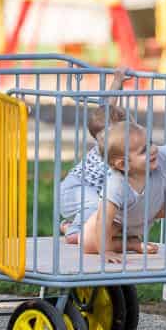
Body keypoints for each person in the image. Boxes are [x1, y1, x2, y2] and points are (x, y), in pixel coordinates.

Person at [80, 115, 166, 262]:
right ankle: (129, 244)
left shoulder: (159, 157)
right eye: (144, 150)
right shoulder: (116, 185)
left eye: (151, 142)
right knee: (88, 244)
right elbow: (104, 220)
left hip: (152, 208)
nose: (153, 149)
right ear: (123, 164)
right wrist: (106, 251)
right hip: (118, 221)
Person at [58, 67, 130, 240]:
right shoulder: (104, 148)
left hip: (90, 193)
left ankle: (73, 224)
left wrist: (118, 82)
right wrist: (116, 82)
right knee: (96, 205)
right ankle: (73, 231)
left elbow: (109, 109)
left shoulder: (124, 151)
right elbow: (107, 108)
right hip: (74, 189)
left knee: (109, 209)